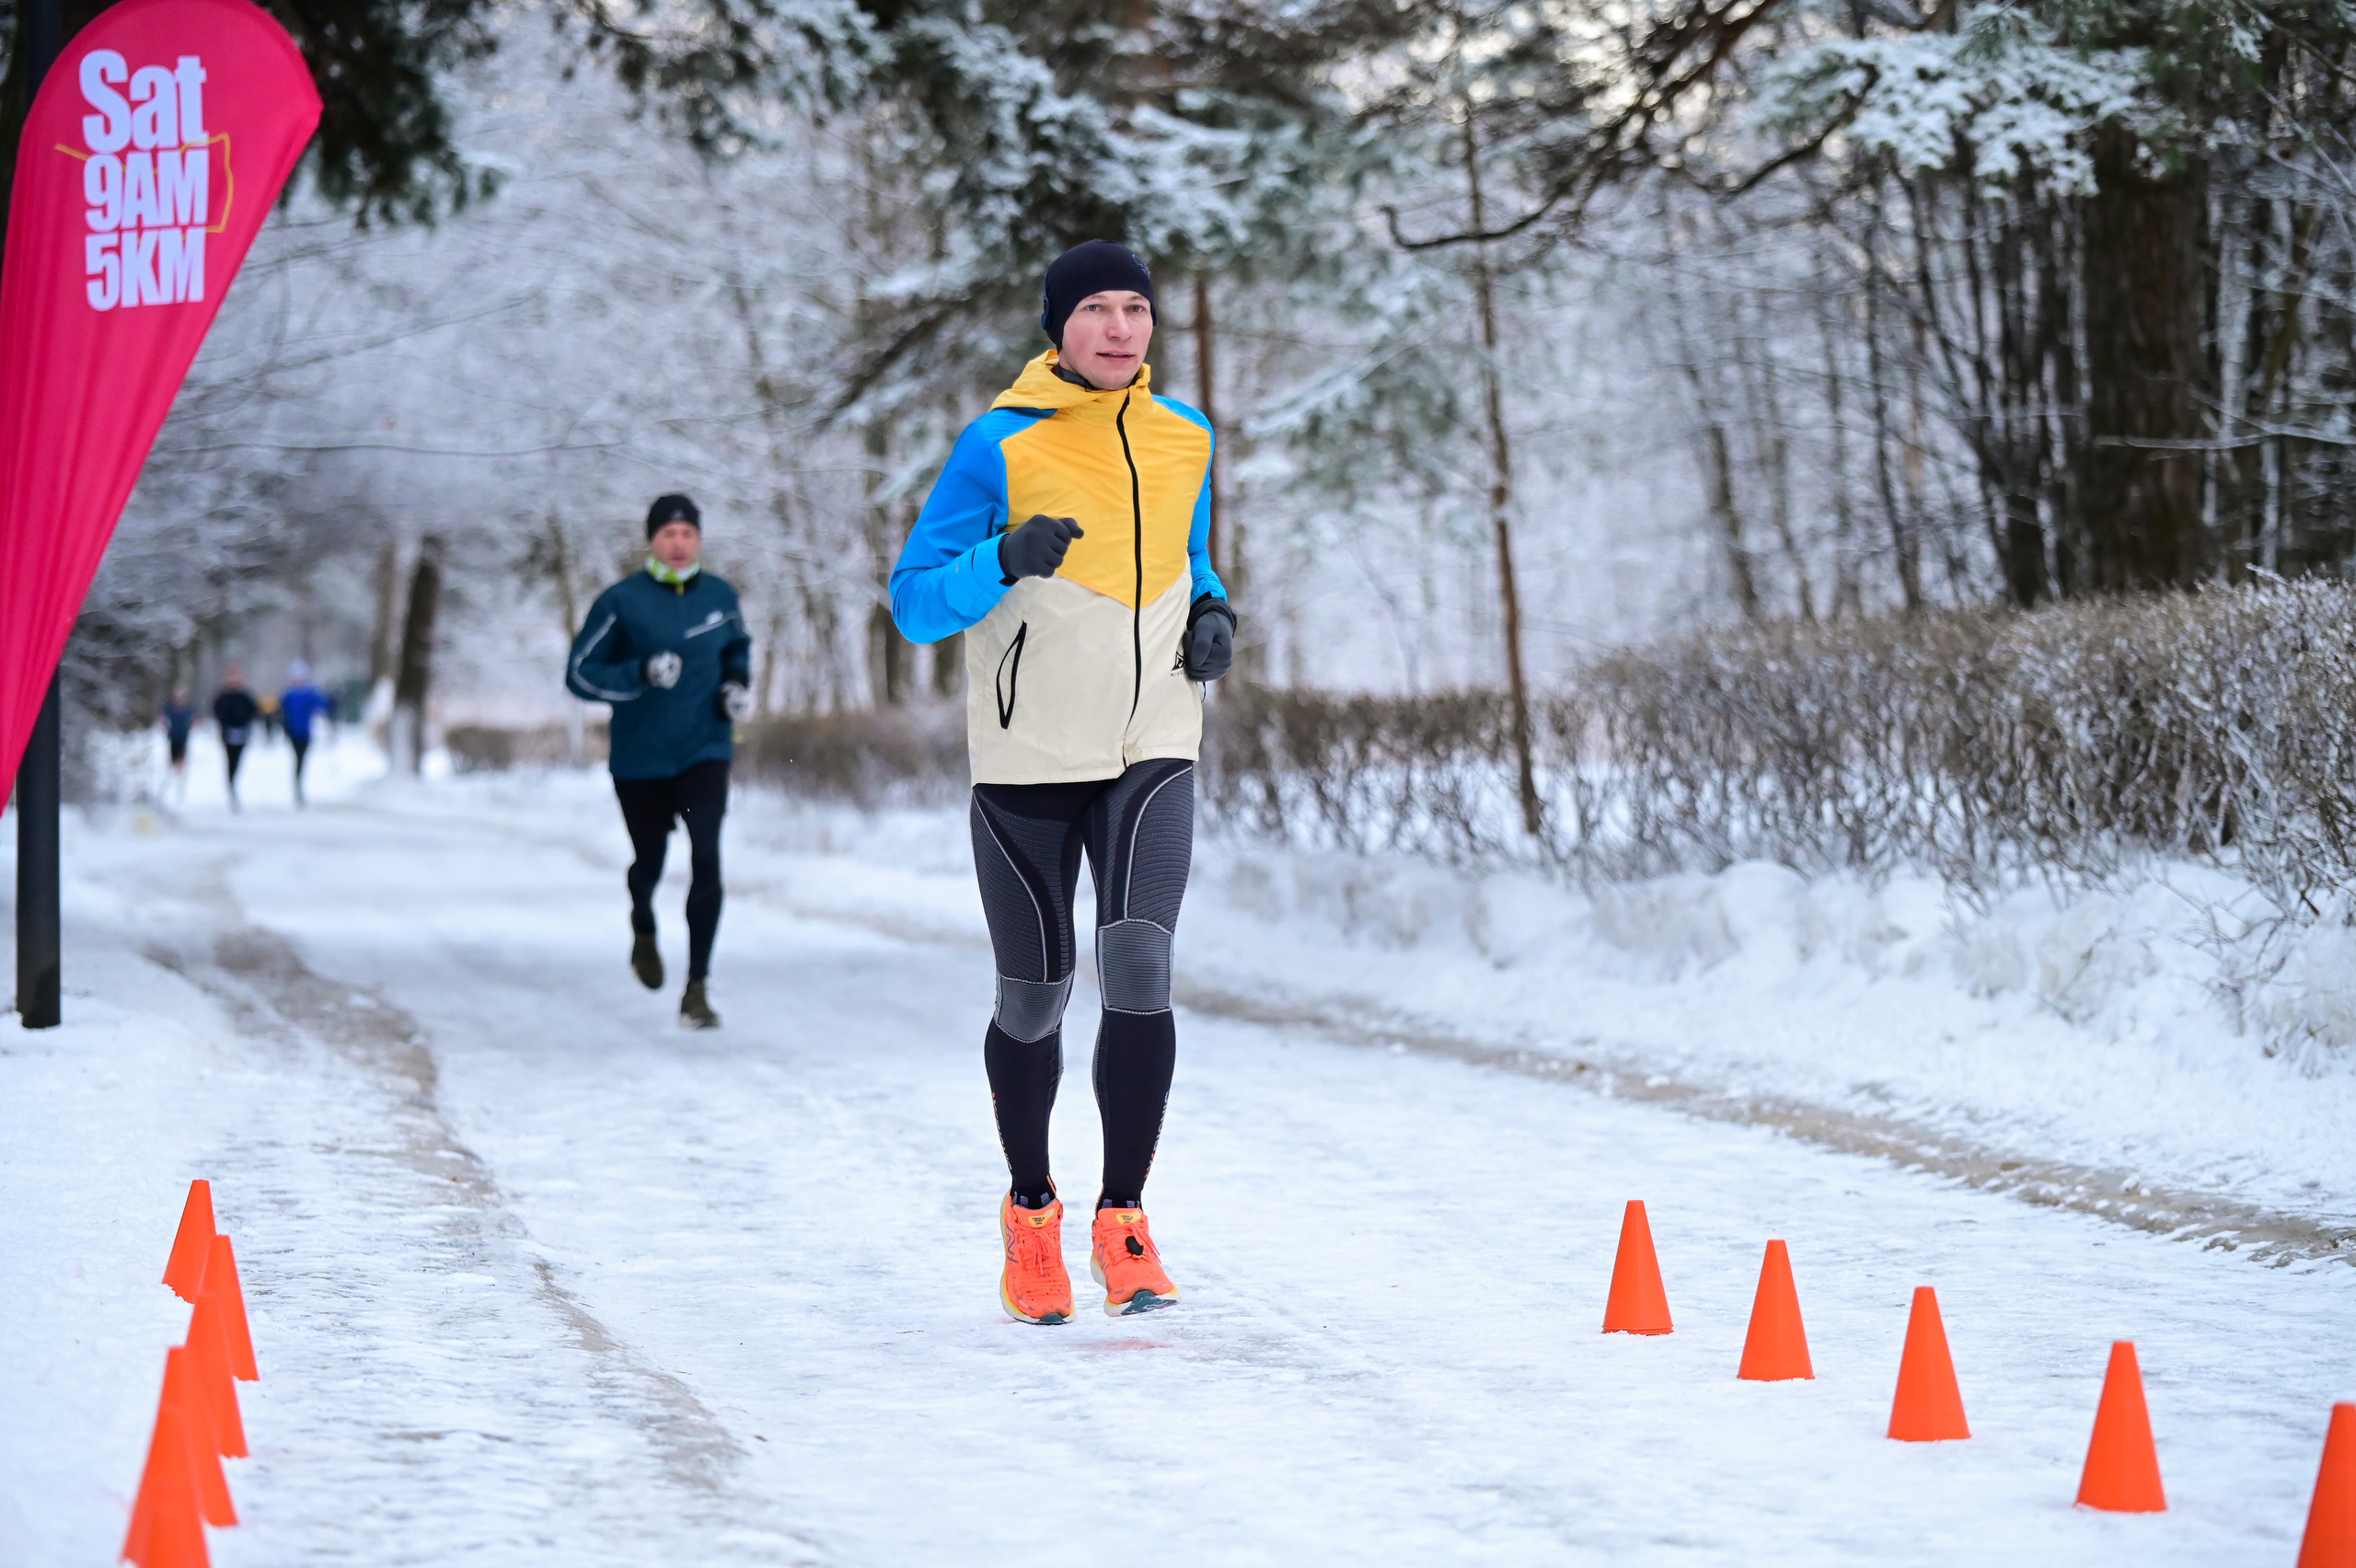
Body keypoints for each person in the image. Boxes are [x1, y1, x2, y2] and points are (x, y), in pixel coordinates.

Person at [890, 239, 1238, 1325]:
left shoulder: (1186, 436)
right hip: (1030, 757)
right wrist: (999, 559)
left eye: (1135, 308)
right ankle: (1031, 1214)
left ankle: (1123, 1222)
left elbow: (1192, 558)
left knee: (1138, 966)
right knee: (1035, 994)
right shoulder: (996, 446)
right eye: (1097, 308)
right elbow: (912, 602)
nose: (1121, 328)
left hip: (1151, 741)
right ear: (1059, 325)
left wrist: (1217, 611)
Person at [565, 494, 753, 1030]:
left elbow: (737, 648)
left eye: (687, 534)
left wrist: (736, 686)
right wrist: (640, 674)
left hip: (705, 749)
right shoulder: (622, 601)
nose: (678, 543)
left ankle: (697, 988)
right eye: (668, 534)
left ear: (699, 539)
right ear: (651, 539)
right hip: (641, 757)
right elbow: (578, 672)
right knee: (649, 863)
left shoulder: (721, 596)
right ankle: (643, 922)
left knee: (708, 861)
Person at [280, 663, 334, 807]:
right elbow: (282, 713)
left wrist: (332, 700)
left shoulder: (310, 693)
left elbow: (323, 706)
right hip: (293, 733)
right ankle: (297, 786)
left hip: (305, 733)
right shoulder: (289, 695)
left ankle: (299, 785)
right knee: (297, 759)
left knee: (301, 760)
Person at [212, 667, 259, 812]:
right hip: (227, 734)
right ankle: (231, 785)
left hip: (241, 734)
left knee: (237, 761)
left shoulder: (245, 696)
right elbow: (217, 711)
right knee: (230, 760)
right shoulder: (223, 697)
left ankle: (233, 782)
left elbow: (253, 710)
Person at [161, 688, 194, 802]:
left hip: (183, 741)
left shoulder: (188, 710)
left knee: (181, 764)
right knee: (171, 764)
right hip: (172, 740)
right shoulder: (169, 709)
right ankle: (168, 787)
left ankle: (180, 788)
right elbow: (162, 720)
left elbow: (193, 721)